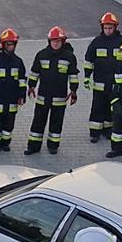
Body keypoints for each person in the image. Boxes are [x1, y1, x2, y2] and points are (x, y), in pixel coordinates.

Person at [25, 26, 79, 155]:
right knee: (38, 121)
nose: (55, 43)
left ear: (63, 41)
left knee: (56, 123)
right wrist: (31, 86)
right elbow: (35, 72)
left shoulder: (69, 57)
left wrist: (73, 91)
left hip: (59, 97)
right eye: (53, 41)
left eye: (58, 41)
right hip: (43, 96)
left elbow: (73, 76)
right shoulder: (41, 55)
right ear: (49, 41)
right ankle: (33, 147)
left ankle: (53, 146)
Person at [83, 12, 122, 143]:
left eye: (110, 28)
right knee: (97, 106)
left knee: (110, 108)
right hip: (99, 82)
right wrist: (87, 76)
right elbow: (89, 60)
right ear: (102, 27)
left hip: (115, 83)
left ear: (115, 27)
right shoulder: (97, 42)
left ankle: (108, 130)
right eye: (105, 28)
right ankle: (94, 132)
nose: (108, 30)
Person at [0, 29, 27, 154]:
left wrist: (22, 95)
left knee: (8, 125)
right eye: (8, 44)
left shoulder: (18, 62)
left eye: (12, 44)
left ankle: (5, 144)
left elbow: (22, 80)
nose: (11, 47)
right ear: (3, 45)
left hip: (12, 100)